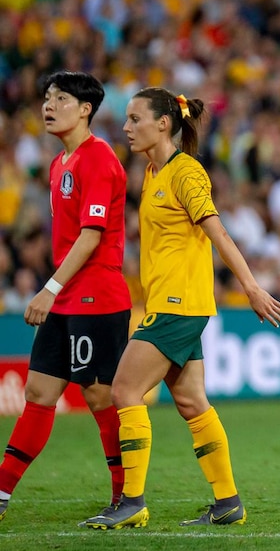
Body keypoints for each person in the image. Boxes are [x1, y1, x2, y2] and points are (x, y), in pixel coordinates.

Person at [81, 87, 280, 529]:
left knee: (124, 392)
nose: (126, 127)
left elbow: (219, 233)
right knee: (192, 403)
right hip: (173, 301)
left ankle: (131, 501)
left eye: (135, 119)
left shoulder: (185, 172)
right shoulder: (152, 173)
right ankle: (228, 502)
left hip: (178, 304)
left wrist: (250, 287)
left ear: (163, 123)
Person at [0, 70, 130, 524]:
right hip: (65, 294)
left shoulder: (99, 158)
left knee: (99, 397)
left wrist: (49, 288)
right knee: (38, 391)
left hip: (95, 294)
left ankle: (126, 498)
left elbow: (92, 236)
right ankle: (1, 492)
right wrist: (56, 289)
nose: (48, 106)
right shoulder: (60, 164)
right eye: (47, 98)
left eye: (60, 98)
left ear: (86, 108)